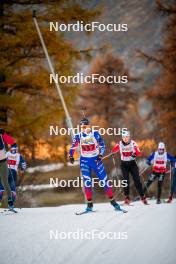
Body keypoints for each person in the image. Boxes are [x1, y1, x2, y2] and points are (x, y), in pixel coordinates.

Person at [69, 118, 122, 212]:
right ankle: (89, 205)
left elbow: (102, 145)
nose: (83, 128)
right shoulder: (78, 136)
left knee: (104, 180)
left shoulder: (95, 134)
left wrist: (100, 155)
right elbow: (73, 146)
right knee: (87, 182)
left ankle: (113, 202)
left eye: (85, 126)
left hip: (96, 161)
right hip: (85, 161)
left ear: (89, 126)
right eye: (81, 127)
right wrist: (71, 156)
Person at [111, 130, 147, 205]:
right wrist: (112, 153)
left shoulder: (133, 143)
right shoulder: (120, 143)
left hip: (132, 164)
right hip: (124, 165)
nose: (125, 138)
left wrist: (135, 154)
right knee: (125, 181)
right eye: (124, 137)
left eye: (127, 137)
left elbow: (138, 152)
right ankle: (127, 198)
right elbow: (114, 150)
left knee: (137, 180)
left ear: (129, 137)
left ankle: (142, 196)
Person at [0, 128, 16, 209]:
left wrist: (4, 134)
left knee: (5, 183)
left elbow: (11, 141)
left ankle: (10, 201)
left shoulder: (0, 133)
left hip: (2, 162)